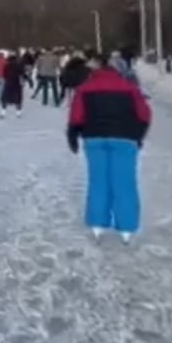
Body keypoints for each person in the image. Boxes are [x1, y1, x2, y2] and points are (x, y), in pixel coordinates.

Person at [67, 55, 152, 243]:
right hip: (124, 139)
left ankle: (98, 225)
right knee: (124, 183)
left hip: (94, 138)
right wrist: (138, 135)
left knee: (98, 182)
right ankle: (126, 228)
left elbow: (76, 116)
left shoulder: (84, 89)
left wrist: (72, 135)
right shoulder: (130, 89)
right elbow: (144, 115)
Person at [0, 51, 25, 117]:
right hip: (16, 84)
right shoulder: (19, 66)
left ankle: (3, 113)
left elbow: (4, 75)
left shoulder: (6, 66)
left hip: (8, 83)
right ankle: (18, 113)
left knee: (5, 99)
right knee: (18, 99)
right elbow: (22, 74)